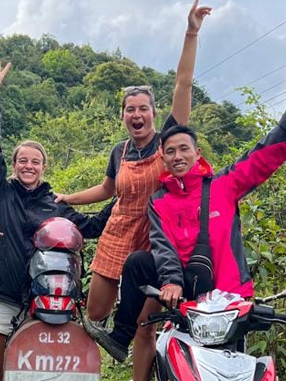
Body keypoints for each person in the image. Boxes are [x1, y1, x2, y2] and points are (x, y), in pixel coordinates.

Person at [89, 76, 286, 381]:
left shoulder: (224, 186)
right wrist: (169, 283)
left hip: (227, 298)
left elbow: (264, 156)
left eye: (184, 149)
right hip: (181, 295)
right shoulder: (161, 200)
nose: (178, 156)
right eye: (170, 151)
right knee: (138, 268)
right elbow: (162, 246)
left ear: (198, 154)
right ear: (162, 159)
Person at [55, 1, 211, 351]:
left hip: (156, 236)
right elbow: (107, 188)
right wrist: (69, 198)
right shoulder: (120, 151)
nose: (137, 114)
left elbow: (183, 85)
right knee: (93, 314)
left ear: (154, 114)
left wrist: (191, 32)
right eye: (130, 109)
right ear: (123, 115)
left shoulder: (166, 144)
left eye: (143, 108)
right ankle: (92, 360)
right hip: (118, 231)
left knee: (145, 323)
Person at [0, 60, 113, 381]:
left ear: (43, 166)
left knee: (46, 373)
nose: (27, 166)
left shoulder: (57, 204)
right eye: (22, 160)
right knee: (0, 372)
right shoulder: (1, 191)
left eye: (34, 161)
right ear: (16, 165)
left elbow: (91, 228)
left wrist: (126, 197)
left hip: (49, 302)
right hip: (2, 295)